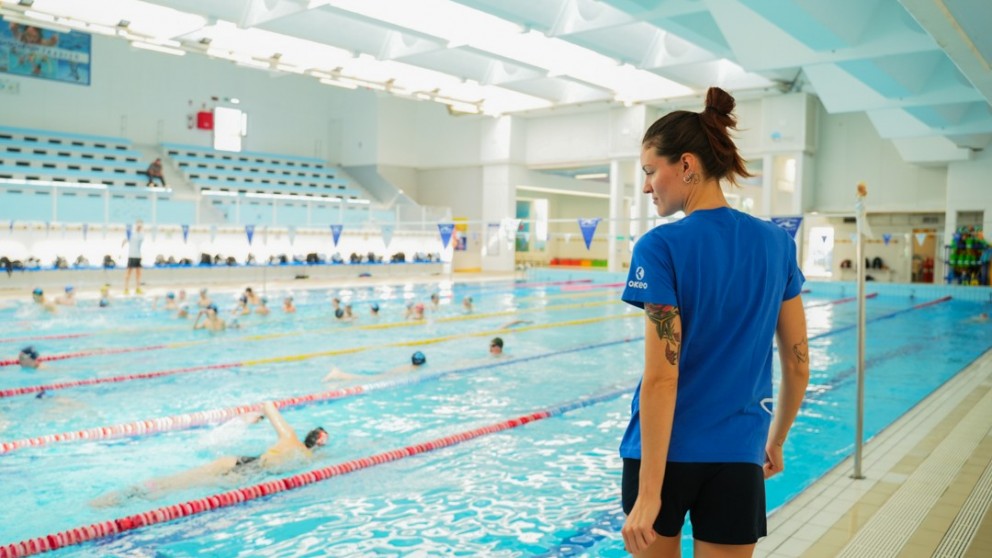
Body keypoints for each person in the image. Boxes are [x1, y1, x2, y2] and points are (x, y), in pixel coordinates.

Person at [619, 87, 809, 557]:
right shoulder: (777, 244)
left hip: (660, 458)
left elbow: (663, 377)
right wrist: (776, 440)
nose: (646, 187)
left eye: (649, 171)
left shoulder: (659, 247)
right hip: (738, 454)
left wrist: (648, 496)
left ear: (686, 165)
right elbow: (799, 362)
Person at [90, 401, 327, 507]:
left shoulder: (288, 436)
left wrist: (255, 416)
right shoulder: (307, 459)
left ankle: (124, 493)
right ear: (320, 444)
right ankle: (125, 500)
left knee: (178, 479)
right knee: (179, 489)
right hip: (248, 474)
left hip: (237, 460)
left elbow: (268, 404)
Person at [323, 351, 427, 382]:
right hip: (386, 376)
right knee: (363, 379)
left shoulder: (408, 366)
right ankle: (339, 374)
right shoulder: (413, 370)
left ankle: (340, 374)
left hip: (388, 374)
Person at [122, 220, 145, 295]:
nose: (139, 226)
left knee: (138, 273)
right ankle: (126, 288)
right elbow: (126, 239)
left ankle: (138, 288)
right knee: (128, 273)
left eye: (140, 225)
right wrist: (123, 243)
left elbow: (140, 242)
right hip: (131, 256)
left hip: (138, 256)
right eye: (138, 224)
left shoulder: (141, 235)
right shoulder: (131, 234)